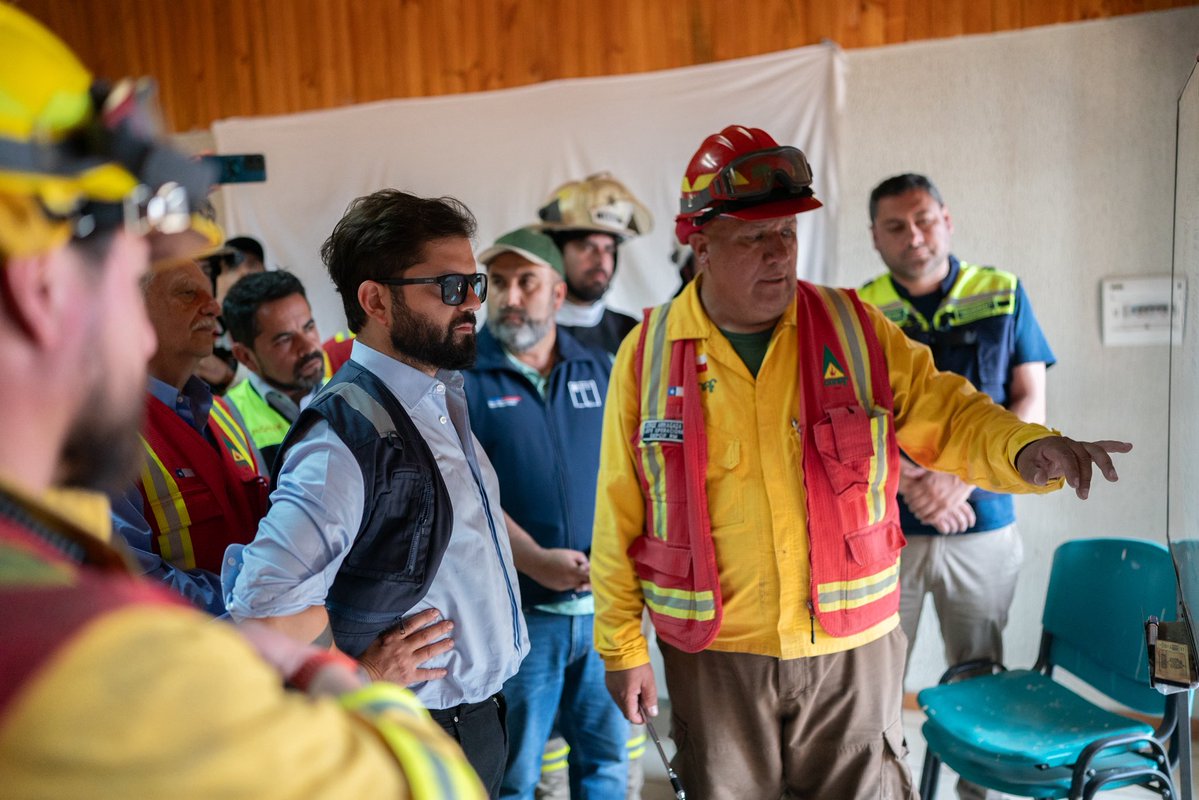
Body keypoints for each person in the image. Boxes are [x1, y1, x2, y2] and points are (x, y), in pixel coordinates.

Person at [0, 5, 484, 797]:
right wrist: (319, 671)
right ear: (43, 290)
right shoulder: (83, 666)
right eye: (129, 281)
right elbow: (431, 783)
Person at [590, 124, 1132, 800]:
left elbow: (951, 413)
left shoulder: (855, 329)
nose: (776, 254)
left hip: (851, 655)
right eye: (751, 238)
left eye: (785, 234)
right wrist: (622, 649)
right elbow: (617, 514)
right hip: (715, 658)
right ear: (700, 246)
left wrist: (1026, 447)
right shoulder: (644, 357)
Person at [225, 189, 529, 797]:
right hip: (415, 734)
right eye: (448, 287)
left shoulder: (437, 398)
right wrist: (358, 677)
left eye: (475, 284)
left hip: (481, 721)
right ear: (375, 301)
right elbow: (263, 609)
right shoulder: (344, 437)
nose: (471, 303)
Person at [859, 173, 1055, 800]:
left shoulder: (1002, 291)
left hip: (983, 524)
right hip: (886, 531)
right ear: (875, 237)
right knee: (875, 682)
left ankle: (979, 793)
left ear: (946, 218)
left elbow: (1027, 401)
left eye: (923, 219)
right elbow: (852, 415)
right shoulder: (857, 309)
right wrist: (915, 485)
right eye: (895, 225)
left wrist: (954, 483)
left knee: (979, 678)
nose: (913, 236)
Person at [463, 228, 627, 799]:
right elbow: (464, 495)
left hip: (607, 611)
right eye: (499, 283)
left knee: (605, 765)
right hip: (520, 616)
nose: (510, 297)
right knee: (515, 775)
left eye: (526, 282)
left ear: (558, 294)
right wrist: (532, 560)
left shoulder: (602, 370)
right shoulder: (459, 379)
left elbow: (632, 477)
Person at [107, 218, 269, 616]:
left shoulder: (226, 412)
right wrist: (251, 607)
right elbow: (134, 581)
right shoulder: (111, 435)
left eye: (208, 292)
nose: (213, 306)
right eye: (187, 294)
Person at [536, 172, 652, 356]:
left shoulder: (633, 335)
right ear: (557, 251)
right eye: (587, 246)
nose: (601, 260)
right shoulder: (528, 333)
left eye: (608, 249)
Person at [223, 269, 330, 468]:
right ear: (245, 356)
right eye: (284, 339)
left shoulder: (350, 393)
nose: (308, 346)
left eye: (308, 327)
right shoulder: (227, 421)